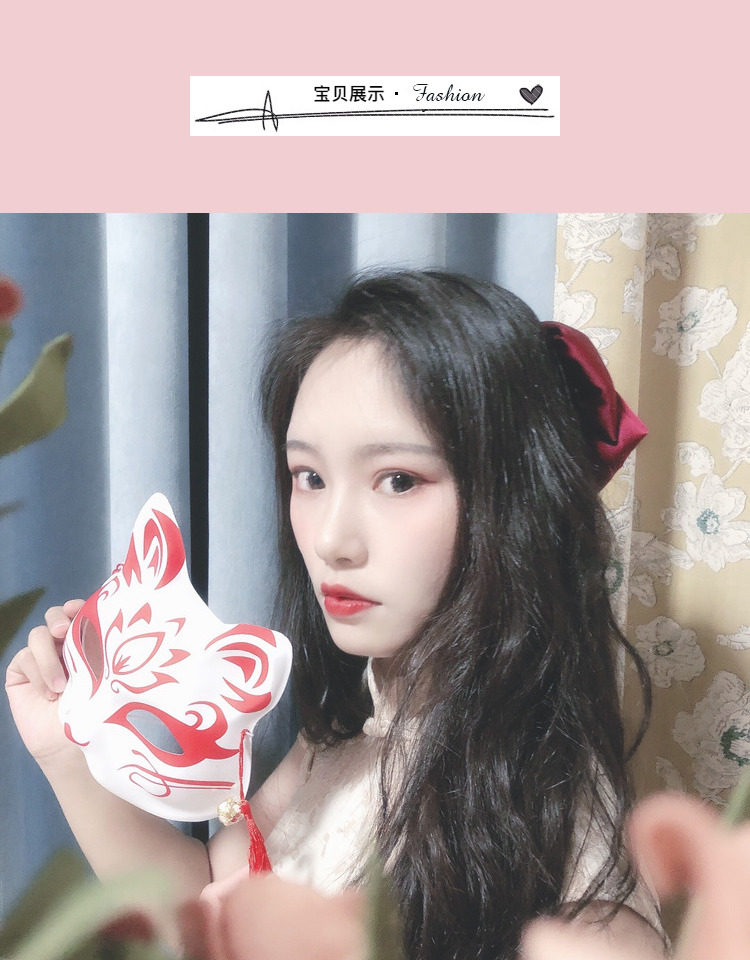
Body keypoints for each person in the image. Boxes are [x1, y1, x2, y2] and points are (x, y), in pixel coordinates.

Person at [5, 270, 665, 960]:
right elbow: (205, 898)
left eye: (398, 480)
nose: (329, 540)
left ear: (515, 501)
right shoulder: (351, 724)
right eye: (310, 478)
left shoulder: (567, 854)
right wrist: (65, 753)